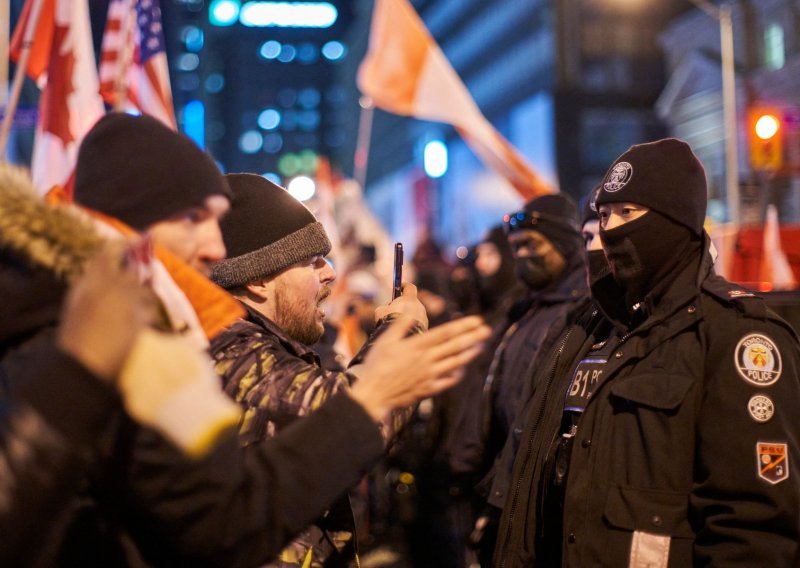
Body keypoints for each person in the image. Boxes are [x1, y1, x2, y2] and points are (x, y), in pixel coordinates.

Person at [0, 122, 491, 565]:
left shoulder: (159, 344)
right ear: (134, 221)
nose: (216, 247)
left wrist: (371, 397)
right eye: (195, 217)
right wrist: (77, 372)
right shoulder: (51, 328)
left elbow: (223, 519)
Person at [494, 138, 800, 566]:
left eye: (628, 213)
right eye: (604, 215)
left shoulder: (735, 335)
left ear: (676, 220)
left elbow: (752, 527)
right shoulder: (589, 329)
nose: (611, 230)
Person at [208, 173, 428, 566]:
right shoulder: (232, 347)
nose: (330, 273)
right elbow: (346, 419)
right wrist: (402, 331)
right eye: (312, 262)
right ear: (258, 279)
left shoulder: (253, 343)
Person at [440, 194, 588, 561]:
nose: (522, 255)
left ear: (564, 244)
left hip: (537, 490)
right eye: (516, 247)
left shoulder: (580, 314)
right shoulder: (522, 309)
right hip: (498, 482)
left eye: (532, 245)